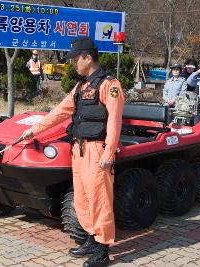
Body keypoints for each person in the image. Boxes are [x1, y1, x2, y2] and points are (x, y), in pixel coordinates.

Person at [21, 36, 124, 267]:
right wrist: (33, 130)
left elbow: (114, 122)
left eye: (76, 59)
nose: (73, 63)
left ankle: (101, 251)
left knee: (100, 200)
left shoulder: (110, 85)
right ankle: (90, 239)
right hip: (78, 150)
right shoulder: (81, 86)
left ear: (88, 57)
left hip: (97, 150)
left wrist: (109, 152)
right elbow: (59, 112)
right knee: (83, 199)